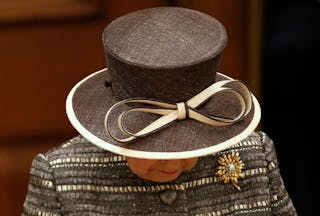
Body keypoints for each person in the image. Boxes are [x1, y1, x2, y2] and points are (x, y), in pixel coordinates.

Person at [22, 7, 297, 215]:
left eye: (189, 145)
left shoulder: (257, 156)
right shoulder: (60, 177)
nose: (173, 163)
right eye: (155, 147)